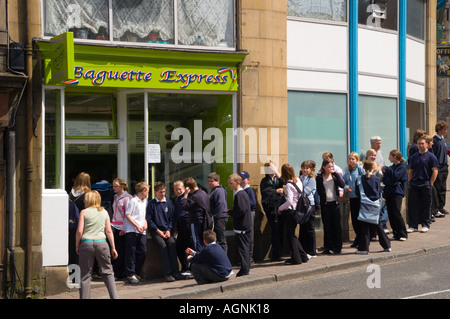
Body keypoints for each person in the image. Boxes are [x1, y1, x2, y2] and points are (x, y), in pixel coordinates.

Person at [76, 190, 119, 299]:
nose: (84, 200)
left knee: (85, 275)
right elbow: (109, 231)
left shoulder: (84, 212)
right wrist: (113, 248)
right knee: (108, 272)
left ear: (89, 200)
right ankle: (114, 297)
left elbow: (80, 231)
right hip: (102, 244)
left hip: (86, 244)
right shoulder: (104, 212)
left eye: (85, 198)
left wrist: (77, 245)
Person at [146, 182, 184, 282]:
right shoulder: (151, 204)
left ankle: (176, 272)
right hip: (156, 231)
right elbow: (149, 220)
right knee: (163, 247)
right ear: (155, 192)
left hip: (167, 230)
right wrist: (158, 231)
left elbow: (172, 218)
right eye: (160, 192)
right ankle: (167, 273)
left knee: (171, 245)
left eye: (163, 192)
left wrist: (168, 230)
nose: (162, 194)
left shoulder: (169, 203)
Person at [354, 161, 391, 255]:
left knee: (364, 227)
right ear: (372, 168)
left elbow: (357, 193)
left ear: (363, 168)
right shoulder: (376, 178)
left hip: (364, 204)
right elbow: (379, 191)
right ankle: (387, 246)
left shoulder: (359, 179)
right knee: (378, 226)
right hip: (375, 205)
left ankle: (364, 248)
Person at [277, 164, 310, 265]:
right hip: (298, 211)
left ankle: (296, 258)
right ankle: (303, 256)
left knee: (290, 235)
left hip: (291, 212)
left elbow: (289, 201)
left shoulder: (289, 184)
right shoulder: (298, 180)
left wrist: (280, 208)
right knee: (292, 235)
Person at [407, 136, 439, 233]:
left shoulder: (431, 157)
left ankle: (426, 224)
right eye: (419, 144)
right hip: (414, 184)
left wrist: (431, 183)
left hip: (425, 183)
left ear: (426, 144)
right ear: (417, 145)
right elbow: (410, 171)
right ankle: (413, 226)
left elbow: (435, 171)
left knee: (426, 205)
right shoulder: (413, 157)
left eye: (422, 143)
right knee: (413, 205)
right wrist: (410, 182)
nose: (421, 145)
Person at [316, 158, 345, 254]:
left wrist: (336, 174)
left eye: (332, 166)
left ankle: (338, 247)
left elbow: (342, 185)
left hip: (335, 203)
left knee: (336, 226)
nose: (330, 168)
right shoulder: (320, 177)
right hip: (325, 204)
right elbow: (318, 191)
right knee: (327, 226)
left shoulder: (335, 176)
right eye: (328, 166)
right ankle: (328, 247)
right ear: (323, 167)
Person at [227, 173, 252, 277]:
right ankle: (245, 268)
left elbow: (241, 211)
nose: (229, 185)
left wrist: (230, 212)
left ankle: (244, 269)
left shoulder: (239, 194)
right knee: (245, 248)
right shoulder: (242, 193)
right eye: (228, 183)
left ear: (238, 182)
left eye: (231, 183)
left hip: (242, 227)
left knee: (243, 249)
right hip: (244, 225)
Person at [124, 181, 149, 284]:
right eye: (147, 191)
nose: (148, 193)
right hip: (132, 230)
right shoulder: (133, 201)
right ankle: (130, 273)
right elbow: (128, 215)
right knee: (131, 252)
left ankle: (136, 271)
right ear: (143, 191)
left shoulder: (144, 202)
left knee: (142, 251)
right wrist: (136, 225)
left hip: (141, 231)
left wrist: (145, 224)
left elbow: (144, 216)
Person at [260, 161, 285, 262]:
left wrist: (276, 171)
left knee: (281, 230)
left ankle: (280, 252)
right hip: (271, 209)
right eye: (269, 169)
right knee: (275, 231)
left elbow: (284, 182)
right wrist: (275, 191)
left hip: (281, 208)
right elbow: (265, 192)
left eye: (273, 168)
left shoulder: (277, 179)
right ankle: (276, 254)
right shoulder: (264, 181)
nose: (272, 171)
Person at [381, 150, 408, 241]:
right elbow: (385, 180)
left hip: (397, 193)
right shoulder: (391, 167)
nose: (389, 158)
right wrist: (394, 182)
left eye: (390, 156)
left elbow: (396, 176)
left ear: (395, 157)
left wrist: (389, 174)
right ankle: (396, 233)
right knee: (391, 213)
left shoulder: (402, 166)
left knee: (396, 213)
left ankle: (403, 234)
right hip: (389, 192)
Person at [111, 177, 133, 280]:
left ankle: (118, 273)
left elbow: (128, 214)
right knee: (114, 250)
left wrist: (124, 229)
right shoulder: (115, 197)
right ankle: (116, 272)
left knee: (120, 251)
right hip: (114, 225)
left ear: (122, 186)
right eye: (113, 186)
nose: (113, 188)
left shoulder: (127, 198)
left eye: (116, 186)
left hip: (122, 227)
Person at [181, 177, 210, 252]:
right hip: (205, 221)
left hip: (196, 222)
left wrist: (185, 194)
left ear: (188, 188)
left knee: (197, 242)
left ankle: (200, 261)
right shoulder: (204, 194)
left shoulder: (194, 196)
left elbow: (184, 206)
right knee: (205, 242)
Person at [342, 152, 365, 248]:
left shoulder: (359, 168)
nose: (351, 161)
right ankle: (357, 237)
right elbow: (344, 182)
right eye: (349, 159)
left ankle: (362, 239)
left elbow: (364, 177)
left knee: (360, 219)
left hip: (360, 196)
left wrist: (359, 166)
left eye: (353, 159)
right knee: (354, 219)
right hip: (352, 196)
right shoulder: (346, 170)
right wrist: (346, 187)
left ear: (357, 160)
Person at [68, 172, 91, 265]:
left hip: (72, 223)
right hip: (84, 223)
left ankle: (73, 272)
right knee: (83, 248)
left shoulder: (71, 192)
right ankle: (83, 271)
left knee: (72, 247)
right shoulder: (88, 194)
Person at [299, 161, 317, 258]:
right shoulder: (300, 178)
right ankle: (304, 250)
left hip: (309, 204)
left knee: (310, 228)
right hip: (301, 205)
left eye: (307, 168)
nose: (305, 170)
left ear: (310, 169)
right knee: (303, 228)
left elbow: (307, 191)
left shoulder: (312, 179)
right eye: (303, 168)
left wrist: (296, 192)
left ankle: (312, 251)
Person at [207, 172, 229, 253]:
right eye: (208, 181)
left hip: (219, 218)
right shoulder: (214, 191)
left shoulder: (219, 190)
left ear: (217, 181)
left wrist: (215, 218)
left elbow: (220, 205)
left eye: (211, 181)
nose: (209, 183)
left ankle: (223, 261)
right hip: (217, 218)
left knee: (221, 240)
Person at [173, 180, 191, 276]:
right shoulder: (176, 199)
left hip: (187, 223)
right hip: (180, 225)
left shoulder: (187, 196)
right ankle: (184, 267)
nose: (178, 191)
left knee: (189, 246)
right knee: (179, 247)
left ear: (184, 188)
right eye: (176, 190)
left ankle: (190, 268)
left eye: (180, 189)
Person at [432, 121, 449, 216]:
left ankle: (441, 207)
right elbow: (433, 155)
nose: (446, 131)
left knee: (443, 188)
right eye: (444, 129)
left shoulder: (442, 139)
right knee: (437, 188)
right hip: (438, 168)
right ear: (439, 129)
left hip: (445, 166)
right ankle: (437, 208)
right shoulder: (434, 140)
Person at [239, 171, 256, 263]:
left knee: (250, 234)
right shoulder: (242, 190)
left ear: (248, 179)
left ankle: (250, 257)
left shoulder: (249, 190)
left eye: (243, 179)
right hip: (245, 214)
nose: (241, 181)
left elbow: (253, 203)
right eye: (240, 179)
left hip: (250, 213)